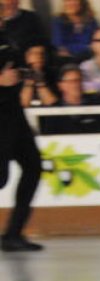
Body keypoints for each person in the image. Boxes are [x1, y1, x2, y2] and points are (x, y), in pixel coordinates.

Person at [1, 36, 44, 252]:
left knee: (33, 166)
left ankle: (13, 233)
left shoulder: (7, 41)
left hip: (14, 117)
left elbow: (12, 70)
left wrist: (25, 74)